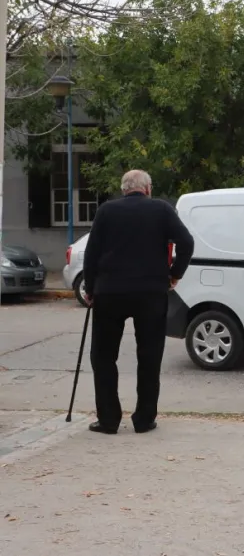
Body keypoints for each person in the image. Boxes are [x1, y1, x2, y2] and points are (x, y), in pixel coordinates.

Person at [83, 170, 194, 435]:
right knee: (149, 356)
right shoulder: (161, 209)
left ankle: (108, 420)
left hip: (110, 292)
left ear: (124, 189)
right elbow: (186, 242)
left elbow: (92, 252)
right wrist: (175, 274)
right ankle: (144, 419)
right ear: (148, 188)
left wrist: (90, 287)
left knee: (103, 356)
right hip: (150, 292)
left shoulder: (106, 211)